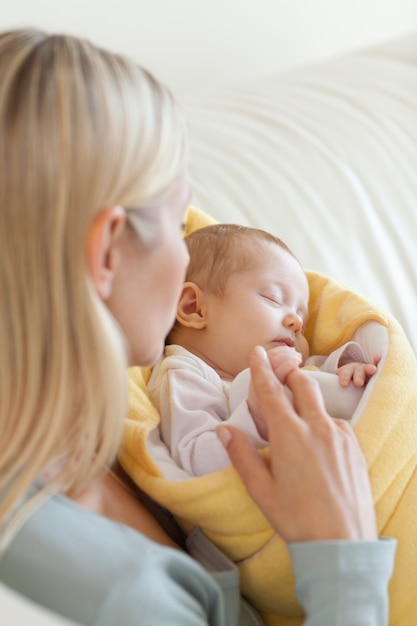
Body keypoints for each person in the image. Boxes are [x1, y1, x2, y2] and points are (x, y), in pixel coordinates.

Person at [0, 28, 395, 626]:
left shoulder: (82, 442)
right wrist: (345, 561)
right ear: (108, 250)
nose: (188, 257)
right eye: (178, 222)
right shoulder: (121, 596)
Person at [148, 223, 380, 476]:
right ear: (195, 308)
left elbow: (319, 371)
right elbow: (196, 460)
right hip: (282, 496)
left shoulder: (292, 362)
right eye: (273, 298)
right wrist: (257, 417)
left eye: (303, 317)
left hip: (350, 470)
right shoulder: (185, 374)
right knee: (247, 384)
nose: (297, 323)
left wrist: (348, 370)